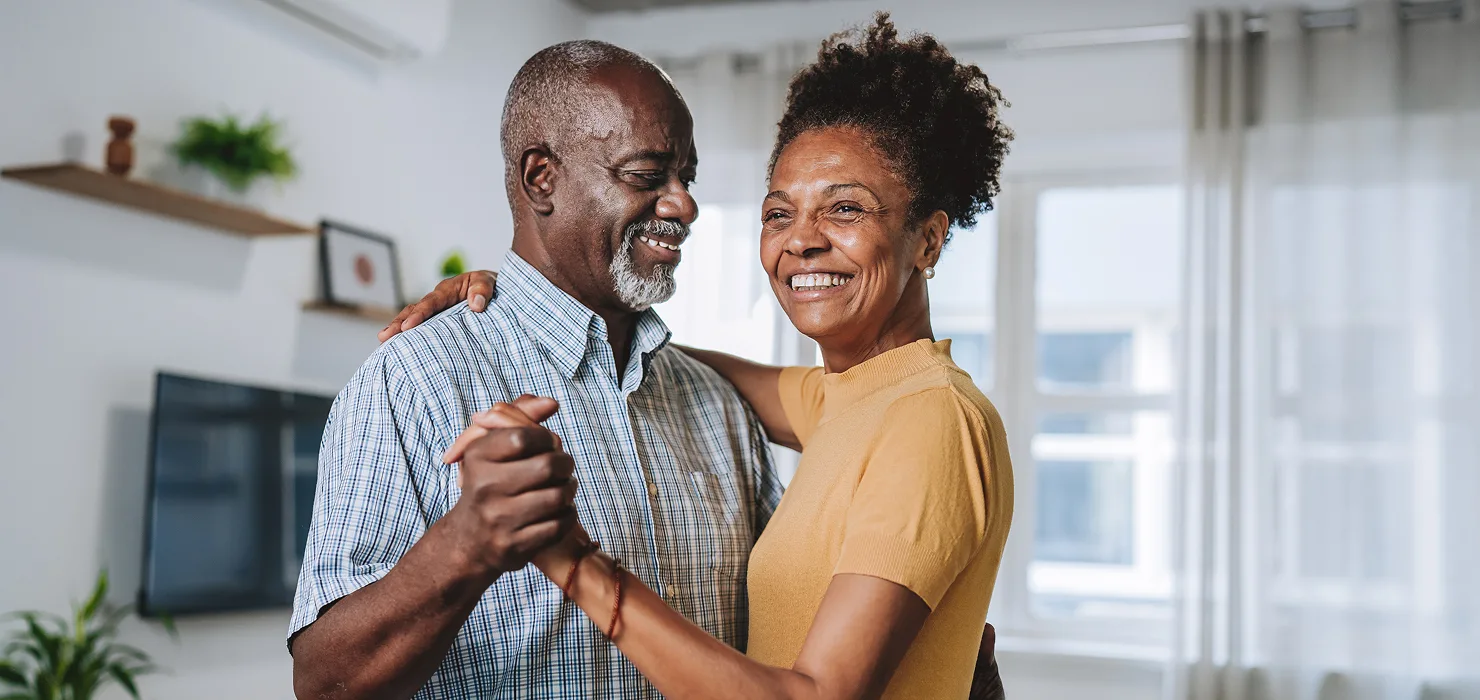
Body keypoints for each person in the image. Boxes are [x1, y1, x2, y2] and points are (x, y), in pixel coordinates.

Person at [294, 35, 1005, 700]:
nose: (685, 204)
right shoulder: (417, 379)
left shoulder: (734, 409)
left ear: (929, 240)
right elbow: (322, 682)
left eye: (687, 177)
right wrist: (466, 545)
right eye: (648, 175)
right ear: (542, 178)